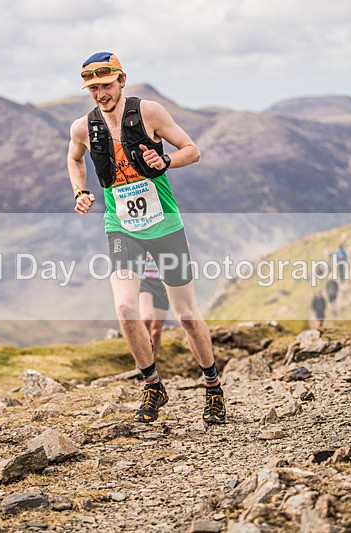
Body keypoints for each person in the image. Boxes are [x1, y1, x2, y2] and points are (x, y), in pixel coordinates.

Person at [67, 52, 226, 425]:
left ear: (122, 80)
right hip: (120, 225)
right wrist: (80, 191)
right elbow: (74, 159)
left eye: (106, 85)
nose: (100, 94)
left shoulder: (149, 112)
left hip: (164, 225)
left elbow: (192, 150)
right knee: (125, 310)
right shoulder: (83, 127)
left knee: (186, 316)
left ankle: (213, 388)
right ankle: (153, 384)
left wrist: (167, 162)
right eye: (92, 88)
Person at [140, 253, 169, 359]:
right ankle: (142, 362)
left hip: (163, 283)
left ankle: (153, 360)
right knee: (146, 318)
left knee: (156, 331)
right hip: (144, 280)